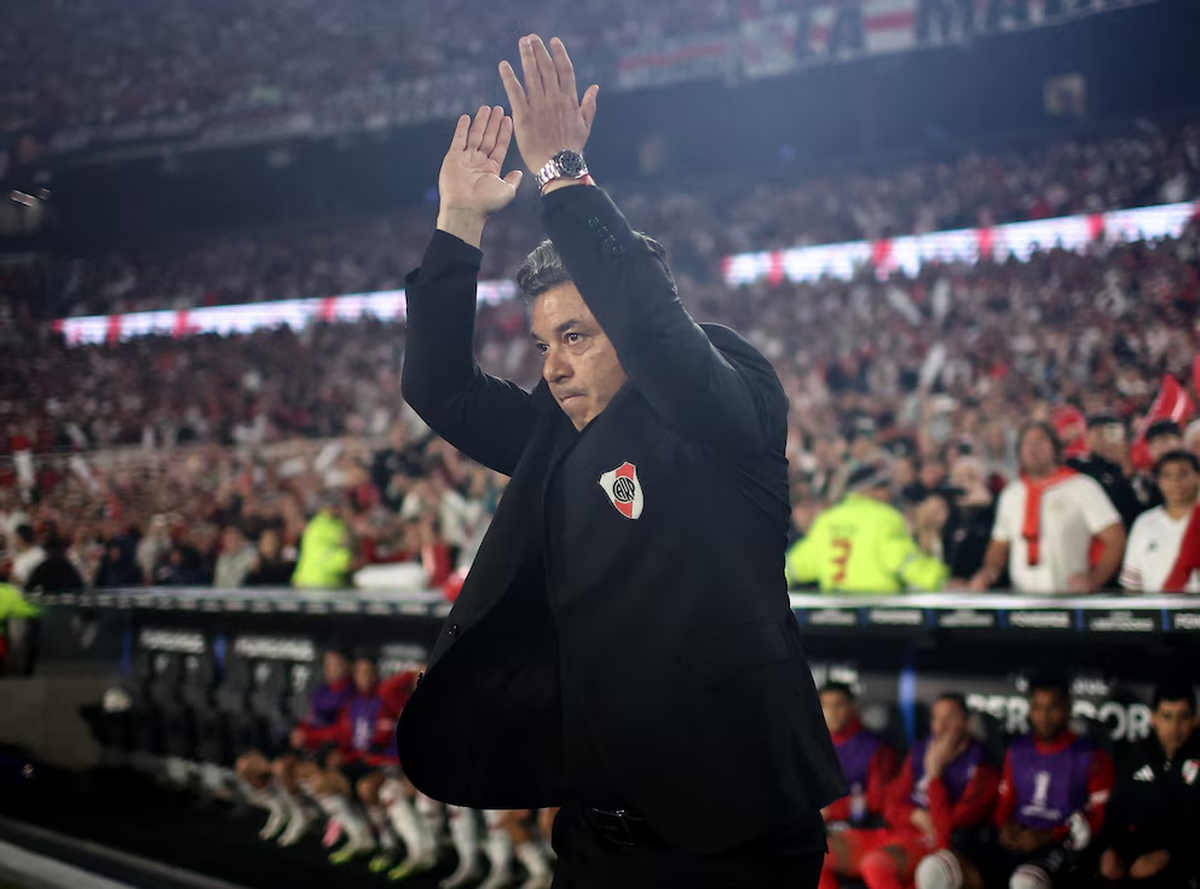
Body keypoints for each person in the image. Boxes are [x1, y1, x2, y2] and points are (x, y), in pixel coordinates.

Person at [395, 35, 844, 888]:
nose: (554, 366)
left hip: (736, 833)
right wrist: (459, 222)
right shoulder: (556, 430)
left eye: (576, 336)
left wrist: (562, 173)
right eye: (543, 344)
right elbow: (439, 387)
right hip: (597, 836)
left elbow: (659, 336)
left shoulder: (728, 395)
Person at [820, 693, 999, 889]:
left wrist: (935, 774)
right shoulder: (921, 750)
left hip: (933, 844)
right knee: (815, 854)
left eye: (950, 718)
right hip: (894, 833)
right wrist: (913, 815)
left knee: (875, 865)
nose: (941, 726)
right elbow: (889, 802)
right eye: (936, 718)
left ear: (967, 722)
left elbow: (945, 830)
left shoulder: (981, 767)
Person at [983, 671, 1114, 889]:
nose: (1044, 716)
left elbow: (1100, 817)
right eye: (1037, 707)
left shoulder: (1090, 755)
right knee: (940, 871)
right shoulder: (1018, 749)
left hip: (1060, 849)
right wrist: (1004, 825)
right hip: (1017, 842)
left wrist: (1050, 835)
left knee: (1026, 883)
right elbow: (1006, 800)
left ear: (1067, 708)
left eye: (1052, 707)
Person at [971, 422, 1125, 594]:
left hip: (1070, 599)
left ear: (1056, 448)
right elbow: (999, 544)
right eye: (1027, 443)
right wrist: (990, 571)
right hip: (1022, 600)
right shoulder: (1011, 494)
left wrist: (1095, 579)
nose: (1033, 448)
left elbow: (1115, 539)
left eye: (1040, 441)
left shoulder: (1082, 487)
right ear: (1019, 452)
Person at [234, 647, 354, 847]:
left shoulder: (351, 694)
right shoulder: (322, 691)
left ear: (348, 666)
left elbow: (341, 731)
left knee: (281, 768)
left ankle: (302, 815)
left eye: (336, 664)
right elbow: (310, 720)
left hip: (326, 754)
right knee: (245, 765)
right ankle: (280, 809)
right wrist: (299, 731)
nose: (330, 669)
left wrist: (309, 736)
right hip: (304, 748)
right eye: (327, 665)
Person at [1099, 680, 1200, 888]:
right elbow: (1115, 811)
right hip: (1136, 859)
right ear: (1153, 718)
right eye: (1166, 716)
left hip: (1186, 860)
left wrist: (1167, 854)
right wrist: (1110, 849)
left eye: (1183, 716)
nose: (1174, 726)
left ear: (1195, 720)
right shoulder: (1134, 756)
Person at [787, 464, 949, 593]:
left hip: (834, 613)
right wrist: (939, 580)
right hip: (877, 612)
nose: (888, 493)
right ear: (868, 489)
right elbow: (903, 561)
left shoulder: (827, 520)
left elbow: (795, 565)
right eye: (883, 487)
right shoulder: (886, 518)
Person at [820, 683, 898, 829]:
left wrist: (831, 811)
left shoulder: (876, 748)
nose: (832, 712)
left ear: (852, 707)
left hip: (860, 827)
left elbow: (877, 799)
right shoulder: (810, 744)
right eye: (826, 705)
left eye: (839, 705)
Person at [1120, 451, 1200, 593]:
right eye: (1167, 476)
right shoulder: (1144, 523)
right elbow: (1131, 584)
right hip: (1155, 604)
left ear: (1197, 477)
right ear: (1158, 481)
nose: (1176, 482)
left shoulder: (1196, 520)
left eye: (1183, 474)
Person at [1067, 416, 1142, 531]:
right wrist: (1062, 442)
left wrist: (1127, 467)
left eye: (1112, 434)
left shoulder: (1133, 469)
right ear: (1087, 437)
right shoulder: (1077, 466)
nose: (1105, 441)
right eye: (1099, 435)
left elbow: (1140, 504)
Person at [292, 493, 356, 589]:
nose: (336, 509)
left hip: (321, 583)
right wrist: (347, 562)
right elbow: (328, 556)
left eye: (338, 506)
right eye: (333, 506)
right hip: (314, 583)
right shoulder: (320, 527)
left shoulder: (336, 525)